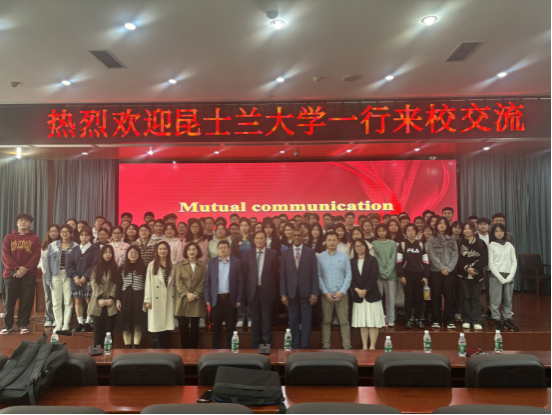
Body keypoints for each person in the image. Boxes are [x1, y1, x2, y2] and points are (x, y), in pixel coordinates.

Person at [280, 229, 319, 349]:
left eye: (299, 235)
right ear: (291, 237)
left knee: (306, 321)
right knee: (293, 321)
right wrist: (283, 294)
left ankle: (306, 347)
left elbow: (314, 273)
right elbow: (283, 275)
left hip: (306, 292)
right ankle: (295, 346)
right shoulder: (285, 253)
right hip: (291, 292)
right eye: (294, 235)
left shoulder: (310, 252)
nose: (296, 237)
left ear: (303, 237)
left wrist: (314, 292)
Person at [242, 231, 279, 349]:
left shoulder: (273, 254)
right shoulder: (248, 254)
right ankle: (256, 347)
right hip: (253, 292)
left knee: (267, 322)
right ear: (254, 240)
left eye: (261, 238)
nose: (259, 240)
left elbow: (275, 273)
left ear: (266, 240)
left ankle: (266, 348)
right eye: (257, 238)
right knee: (255, 322)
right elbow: (245, 272)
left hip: (267, 291)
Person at [205, 240, 244, 348]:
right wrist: (207, 297)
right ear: (217, 250)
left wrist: (239, 298)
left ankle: (230, 349)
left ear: (229, 249)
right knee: (216, 326)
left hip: (230, 299)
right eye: (220, 248)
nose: (222, 249)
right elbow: (208, 281)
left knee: (230, 326)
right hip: (216, 299)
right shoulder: (212, 262)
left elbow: (240, 282)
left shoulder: (236, 262)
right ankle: (215, 349)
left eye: (225, 247)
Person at [318, 231, 352, 350]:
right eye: (329, 240)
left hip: (342, 294)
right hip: (326, 294)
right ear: (325, 241)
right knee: (326, 321)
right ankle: (325, 346)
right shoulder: (320, 257)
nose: (331, 242)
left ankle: (347, 347)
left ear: (338, 241)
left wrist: (342, 291)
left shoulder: (344, 256)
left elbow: (348, 274)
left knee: (344, 321)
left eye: (334, 240)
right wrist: (325, 292)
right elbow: (318, 276)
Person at [351, 238, 385, 350]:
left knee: (373, 322)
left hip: (372, 294)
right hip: (358, 295)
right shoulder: (352, 261)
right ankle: (365, 346)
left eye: (361, 245)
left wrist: (365, 290)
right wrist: (357, 290)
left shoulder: (372, 259)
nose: (359, 248)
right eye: (356, 246)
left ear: (365, 247)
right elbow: (350, 277)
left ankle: (372, 346)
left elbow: (374, 276)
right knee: (363, 323)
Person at [44, 224, 77, 332]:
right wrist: (48, 279)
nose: (64, 234)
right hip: (55, 276)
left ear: (71, 233)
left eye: (67, 232)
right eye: (62, 232)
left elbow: (77, 263)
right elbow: (48, 264)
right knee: (56, 302)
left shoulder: (75, 246)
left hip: (69, 276)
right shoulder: (52, 245)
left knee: (68, 301)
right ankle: (58, 324)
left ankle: (66, 323)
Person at [66, 227, 100, 333]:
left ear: (90, 236)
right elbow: (69, 264)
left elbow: (95, 264)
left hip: (89, 279)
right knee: (78, 300)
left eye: (86, 235)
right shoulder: (75, 249)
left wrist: (85, 277)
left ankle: (88, 322)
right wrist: (75, 277)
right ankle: (80, 322)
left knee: (89, 300)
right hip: (76, 279)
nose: (84, 237)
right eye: (82, 235)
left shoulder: (95, 249)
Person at [427, 218, 459, 330]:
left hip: (449, 272)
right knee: (435, 296)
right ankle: (436, 319)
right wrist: (441, 267)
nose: (442, 225)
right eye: (440, 223)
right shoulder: (431, 239)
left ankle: (448, 320)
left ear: (447, 226)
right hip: (435, 272)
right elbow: (431, 255)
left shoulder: (452, 239)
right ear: (436, 225)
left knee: (449, 296)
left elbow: (455, 255)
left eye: (444, 224)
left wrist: (449, 268)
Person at [396, 224, 429, 330]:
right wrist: (401, 275)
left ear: (416, 232)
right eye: (408, 230)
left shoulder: (420, 244)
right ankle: (409, 319)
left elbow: (425, 261)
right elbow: (399, 261)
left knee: (419, 298)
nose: (410, 232)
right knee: (408, 298)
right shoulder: (402, 244)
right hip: (407, 275)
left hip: (419, 274)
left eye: (412, 230)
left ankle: (418, 319)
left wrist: (426, 276)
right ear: (405, 232)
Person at [144, 241, 176, 349]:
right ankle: (156, 351)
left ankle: (165, 351)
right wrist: (147, 299)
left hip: (169, 298)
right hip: (155, 299)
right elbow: (148, 283)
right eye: (160, 249)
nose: (162, 251)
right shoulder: (152, 264)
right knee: (156, 327)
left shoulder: (173, 264)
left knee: (167, 327)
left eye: (165, 249)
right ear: (157, 251)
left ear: (168, 251)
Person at [457, 221, 488, 331]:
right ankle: (466, 319)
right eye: (465, 229)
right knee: (465, 297)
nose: (467, 231)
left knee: (475, 298)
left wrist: (473, 269)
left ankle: (477, 320)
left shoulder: (481, 243)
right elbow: (458, 258)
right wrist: (467, 268)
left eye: (469, 228)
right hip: (463, 275)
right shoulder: (459, 242)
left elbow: (484, 259)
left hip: (477, 274)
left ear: (474, 230)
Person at [175, 242, 207, 349]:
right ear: (186, 252)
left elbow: (203, 281)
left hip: (196, 299)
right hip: (183, 298)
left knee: (195, 328)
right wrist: (187, 294)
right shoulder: (180, 265)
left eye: (194, 249)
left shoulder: (202, 265)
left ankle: (194, 351)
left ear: (198, 251)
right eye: (189, 250)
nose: (191, 252)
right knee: (183, 328)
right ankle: (184, 351)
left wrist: (195, 294)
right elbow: (178, 281)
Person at [488, 224, 519, 332]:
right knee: (495, 301)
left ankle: (507, 321)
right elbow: (491, 263)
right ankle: (496, 320)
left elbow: (514, 261)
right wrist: (501, 278)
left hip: (509, 277)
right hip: (496, 277)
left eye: (501, 231)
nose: (499, 233)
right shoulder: (491, 246)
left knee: (508, 301)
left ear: (505, 232)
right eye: (497, 231)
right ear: (493, 233)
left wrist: (510, 276)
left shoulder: (509, 245)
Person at [115, 245, 147, 349]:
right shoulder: (122, 267)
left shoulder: (144, 267)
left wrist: (146, 299)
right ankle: (128, 347)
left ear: (139, 254)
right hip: (125, 297)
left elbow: (146, 284)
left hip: (139, 297)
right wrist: (118, 300)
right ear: (127, 254)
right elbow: (119, 284)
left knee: (138, 324)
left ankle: (136, 347)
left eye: (136, 253)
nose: (133, 255)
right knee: (126, 325)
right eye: (131, 252)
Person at [89, 245, 119, 349]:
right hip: (97, 301)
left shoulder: (115, 267)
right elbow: (93, 282)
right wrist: (99, 297)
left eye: (110, 252)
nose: (107, 254)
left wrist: (111, 297)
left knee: (109, 332)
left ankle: (108, 353)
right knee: (97, 332)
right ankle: (98, 353)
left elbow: (116, 283)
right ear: (101, 254)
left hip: (111, 303)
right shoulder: (96, 266)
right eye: (105, 252)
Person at [372, 224, 398, 328]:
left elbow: (393, 258)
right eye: (379, 231)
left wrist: (387, 271)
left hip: (391, 275)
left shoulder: (392, 243)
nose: (381, 232)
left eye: (383, 230)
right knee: (378, 299)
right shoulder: (374, 243)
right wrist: (382, 271)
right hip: (378, 275)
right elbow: (375, 258)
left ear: (387, 231)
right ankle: (379, 319)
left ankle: (390, 319)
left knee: (391, 299)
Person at [38, 224, 61, 328]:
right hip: (47, 274)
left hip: (59, 275)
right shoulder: (44, 246)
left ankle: (57, 318)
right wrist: (45, 273)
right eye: (51, 231)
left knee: (59, 297)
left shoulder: (62, 244)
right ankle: (49, 318)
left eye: (55, 231)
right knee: (48, 297)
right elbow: (42, 261)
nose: (53, 233)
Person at [477, 217, 493, 319]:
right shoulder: (473, 236)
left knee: (490, 290)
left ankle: (490, 310)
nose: (483, 226)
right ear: (477, 226)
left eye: (485, 224)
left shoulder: (493, 236)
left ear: (489, 226)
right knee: (477, 290)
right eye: (481, 224)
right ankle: (477, 309)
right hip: (477, 267)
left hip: (491, 267)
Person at [451, 220, 464, 322]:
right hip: (449, 269)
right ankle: (449, 311)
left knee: (459, 292)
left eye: (459, 228)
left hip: (461, 269)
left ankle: (458, 312)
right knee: (449, 292)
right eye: (455, 227)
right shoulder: (447, 239)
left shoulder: (464, 241)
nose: (457, 229)